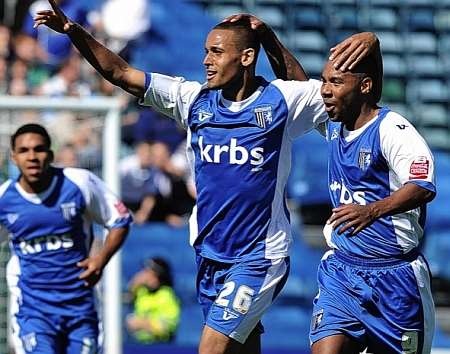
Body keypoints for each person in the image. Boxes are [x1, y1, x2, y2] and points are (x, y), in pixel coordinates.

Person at [33, 3, 376, 353]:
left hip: (259, 256)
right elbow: (121, 73)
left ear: (245, 58)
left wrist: (270, 40)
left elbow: (312, 92)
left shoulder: (280, 101)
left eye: (216, 52)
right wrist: (73, 30)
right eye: (205, 52)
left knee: (211, 347)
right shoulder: (192, 99)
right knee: (243, 347)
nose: (206, 61)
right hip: (210, 255)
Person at [271, 31, 436, 353]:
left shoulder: (393, 130)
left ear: (364, 86)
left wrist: (371, 210)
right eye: (325, 82)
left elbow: (422, 186)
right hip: (342, 272)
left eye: (335, 83)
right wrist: (267, 37)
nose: (325, 91)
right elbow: (296, 86)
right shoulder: (333, 125)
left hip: (396, 278)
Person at [0, 123, 132, 353]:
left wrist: (100, 260)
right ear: (14, 157)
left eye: (39, 149)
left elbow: (120, 220)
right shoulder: (4, 198)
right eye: (24, 151)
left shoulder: (78, 183)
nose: (32, 157)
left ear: (50, 154)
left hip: (79, 306)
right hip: (32, 309)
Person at [126, 257, 180, 343]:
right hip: (138, 345)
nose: (144, 275)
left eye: (148, 272)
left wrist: (143, 324)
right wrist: (133, 285)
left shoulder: (167, 296)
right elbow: (127, 300)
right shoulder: (142, 291)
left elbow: (169, 328)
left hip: (158, 346)